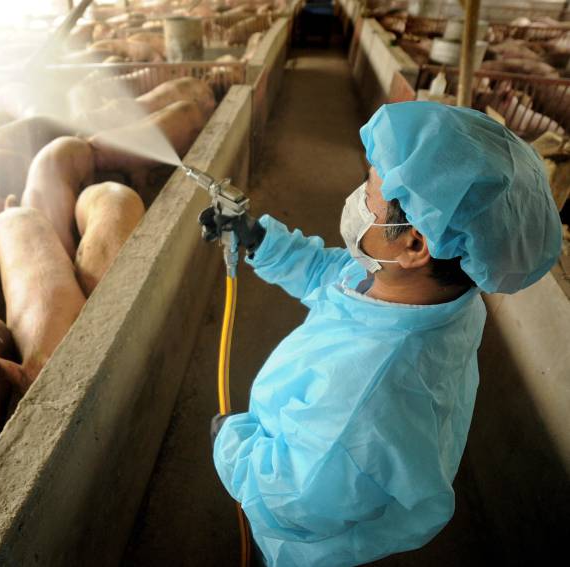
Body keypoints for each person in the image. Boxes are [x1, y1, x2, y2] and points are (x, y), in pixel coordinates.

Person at [201, 101, 563, 566]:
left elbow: (291, 498)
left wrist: (231, 443)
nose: (358, 200)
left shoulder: (364, 401)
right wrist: (258, 241)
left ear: (415, 243)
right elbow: (332, 277)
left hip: (304, 545)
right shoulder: (435, 296)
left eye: (371, 192)